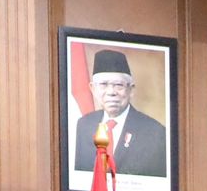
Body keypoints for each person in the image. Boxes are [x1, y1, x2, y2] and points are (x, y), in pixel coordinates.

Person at [72, 48, 168, 179]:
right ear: (92, 89)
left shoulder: (155, 133)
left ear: (131, 89)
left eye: (118, 85)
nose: (111, 92)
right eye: (103, 84)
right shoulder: (84, 125)